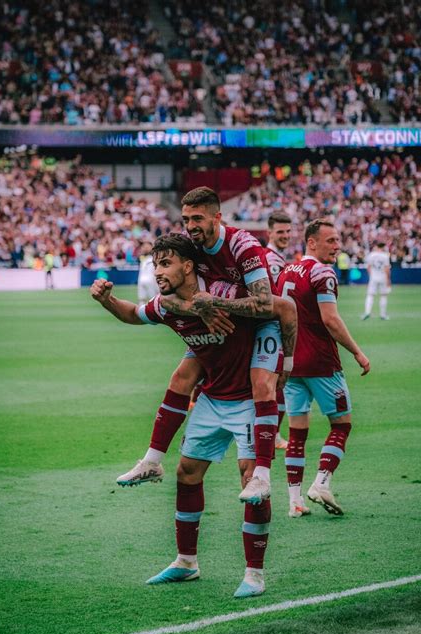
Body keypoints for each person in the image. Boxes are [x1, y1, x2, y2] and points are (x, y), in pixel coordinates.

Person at [91, 233, 297, 598]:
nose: (157, 271)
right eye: (155, 264)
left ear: (187, 266)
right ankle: (186, 562)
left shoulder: (222, 292)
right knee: (187, 473)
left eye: (165, 263)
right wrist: (107, 300)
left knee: (250, 481)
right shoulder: (168, 304)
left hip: (249, 398)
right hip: (213, 397)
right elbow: (132, 314)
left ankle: (254, 574)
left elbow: (279, 308)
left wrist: (287, 359)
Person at [119, 187, 294, 505]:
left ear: (217, 216)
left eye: (197, 218)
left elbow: (267, 303)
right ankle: (152, 460)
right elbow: (170, 296)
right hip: (218, 323)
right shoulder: (192, 247)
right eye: (186, 219)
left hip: (260, 321)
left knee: (260, 384)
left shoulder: (242, 244)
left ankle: (262, 476)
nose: (190, 225)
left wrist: (215, 304)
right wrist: (200, 308)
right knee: (181, 377)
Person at [278, 219, 370, 518]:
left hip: (290, 364)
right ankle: (321, 482)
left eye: (338, 240)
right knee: (341, 425)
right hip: (320, 362)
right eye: (330, 240)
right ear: (312, 243)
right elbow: (330, 320)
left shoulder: (286, 272)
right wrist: (357, 351)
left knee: (297, 433)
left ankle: (294, 502)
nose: (337, 245)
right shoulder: (322, 272)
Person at [265, 210, 291, 450]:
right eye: (280, 232)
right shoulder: (272, 260)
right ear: (269, 232)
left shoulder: (274, 257)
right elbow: (275, 298)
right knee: (279, 380)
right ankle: (272, 435)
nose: (286, 235)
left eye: (288, 231)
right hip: (273, 329)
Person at [362, 242, 392, 320]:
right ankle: (383, 315)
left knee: (370, 295)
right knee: (383, 295)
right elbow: (387, 269)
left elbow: (368, 267)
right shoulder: (385, 256)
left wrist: (371, 276)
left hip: (373, 277)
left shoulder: (371, 255)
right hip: (383, 277)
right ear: (383, 247)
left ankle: (367, 312)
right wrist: (388, 279)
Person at [137, 238, 159, 305]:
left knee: (153, 299)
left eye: (147, 246)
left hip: (151, 280)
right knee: (141, 299)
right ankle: (141, 314)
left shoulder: (154, 258)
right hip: (141, 280)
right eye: (143, 247)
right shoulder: (142, 257)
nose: (144, 248)